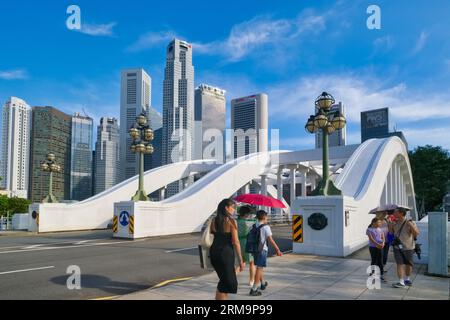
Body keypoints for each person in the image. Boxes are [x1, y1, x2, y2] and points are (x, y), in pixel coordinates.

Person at [209, 199, 245, 300]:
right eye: (232, 207)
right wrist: (241, 260)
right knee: (228, 284)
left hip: (214, 253)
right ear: (226, 207)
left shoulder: (213, 221)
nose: (234, 210)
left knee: (223, 281)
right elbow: (236, 242)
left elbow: (213, 234)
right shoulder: (232, 222)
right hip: (226, 254)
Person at [249, 210, 283, 296]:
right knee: (259, 268)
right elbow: (270, 240)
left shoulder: (254, 225)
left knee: (259, 267)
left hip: (255, 250)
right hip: (262, 250)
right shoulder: (266, 227)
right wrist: (277, 249)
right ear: (264, 217)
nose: (267, 218)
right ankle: (254, 289)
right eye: (267, 217)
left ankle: (263, 284)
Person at [390, 208, 420, 288]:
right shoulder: (395, 222)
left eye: (395, 212)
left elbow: (416, 233)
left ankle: (407, 279)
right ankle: (401, 281)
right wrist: (391, 226)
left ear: (401, 213)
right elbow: (391, 233)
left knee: (408, 264)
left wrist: (411, 226)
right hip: (397, 247)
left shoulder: (410, 222)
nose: (393, 213)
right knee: (399, 264)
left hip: (408, 247)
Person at [235, 205, 257, 286]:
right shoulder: (249, 221)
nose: (249, 215)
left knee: (241, 261)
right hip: (248, 243)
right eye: (248, 213)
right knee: (252, 262)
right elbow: (256, 224)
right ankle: (251, 280)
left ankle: (233, 276)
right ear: (245, 214)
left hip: (239, 243)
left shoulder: (236, 221)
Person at [366, 217, 386, 282]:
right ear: (373, 223)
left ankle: (381, 274)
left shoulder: (380, 229)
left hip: (380, 246)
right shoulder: (369, 229)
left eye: (380, 222)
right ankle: (372, 272)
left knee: (380, 260)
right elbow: (371, 239)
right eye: (379, 222)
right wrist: (377, 244)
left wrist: (383, 243)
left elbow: (383, 237)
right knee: (374, 260)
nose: (380, 223)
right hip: (373, 247)